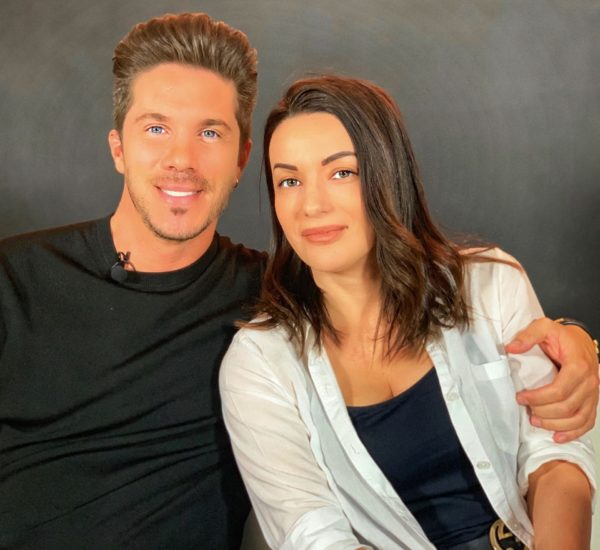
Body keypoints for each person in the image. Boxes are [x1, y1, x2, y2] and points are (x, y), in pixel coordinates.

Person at [0, 11, 596, 550]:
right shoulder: (16, 277)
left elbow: (438, 307)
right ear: (117, 148)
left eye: (209, 132)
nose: (182, 158)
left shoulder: (269, 298)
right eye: (156, 128)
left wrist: (575, 342)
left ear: (241, 160)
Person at [220, 75, 596, 549]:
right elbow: (313, 536)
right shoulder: (260, 361)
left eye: (342, 173)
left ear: (388, 175)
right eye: (290, 180)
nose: (311, 205)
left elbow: (557, 457)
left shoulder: (491, 285)